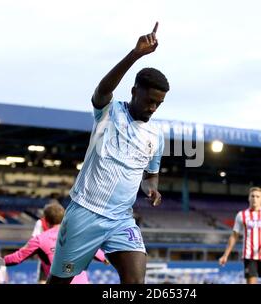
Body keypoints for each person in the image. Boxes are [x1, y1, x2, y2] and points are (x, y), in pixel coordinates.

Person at [47, 21, 169, 284]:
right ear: (135, 91)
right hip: (85, 213)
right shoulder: (109, 112)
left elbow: (150, 175)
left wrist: (152, 190)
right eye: (150, 101)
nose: (153, 108)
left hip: (122, 220)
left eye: (159, 104)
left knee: (135, 283)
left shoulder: (156, 136)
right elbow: (103, 90)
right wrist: (135, 54)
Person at [0, 202, 108, 284]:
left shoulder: (39, 240)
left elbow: (16, 258)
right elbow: (103, 257)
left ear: (46, 220)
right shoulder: (79, 236)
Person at [218, 187, 261, 284]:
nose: (255, 198)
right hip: (249, 255)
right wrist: (225, 255)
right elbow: (234, 236)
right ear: (248, 198)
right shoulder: (241, 215)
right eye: (252, 196)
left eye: (258, 196)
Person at [31, 199, 59, 284]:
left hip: (53, 255)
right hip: (51, 256)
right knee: (43, 280)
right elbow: (34, 239)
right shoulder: (40, 222)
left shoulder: (63, 222)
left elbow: (34, 239)